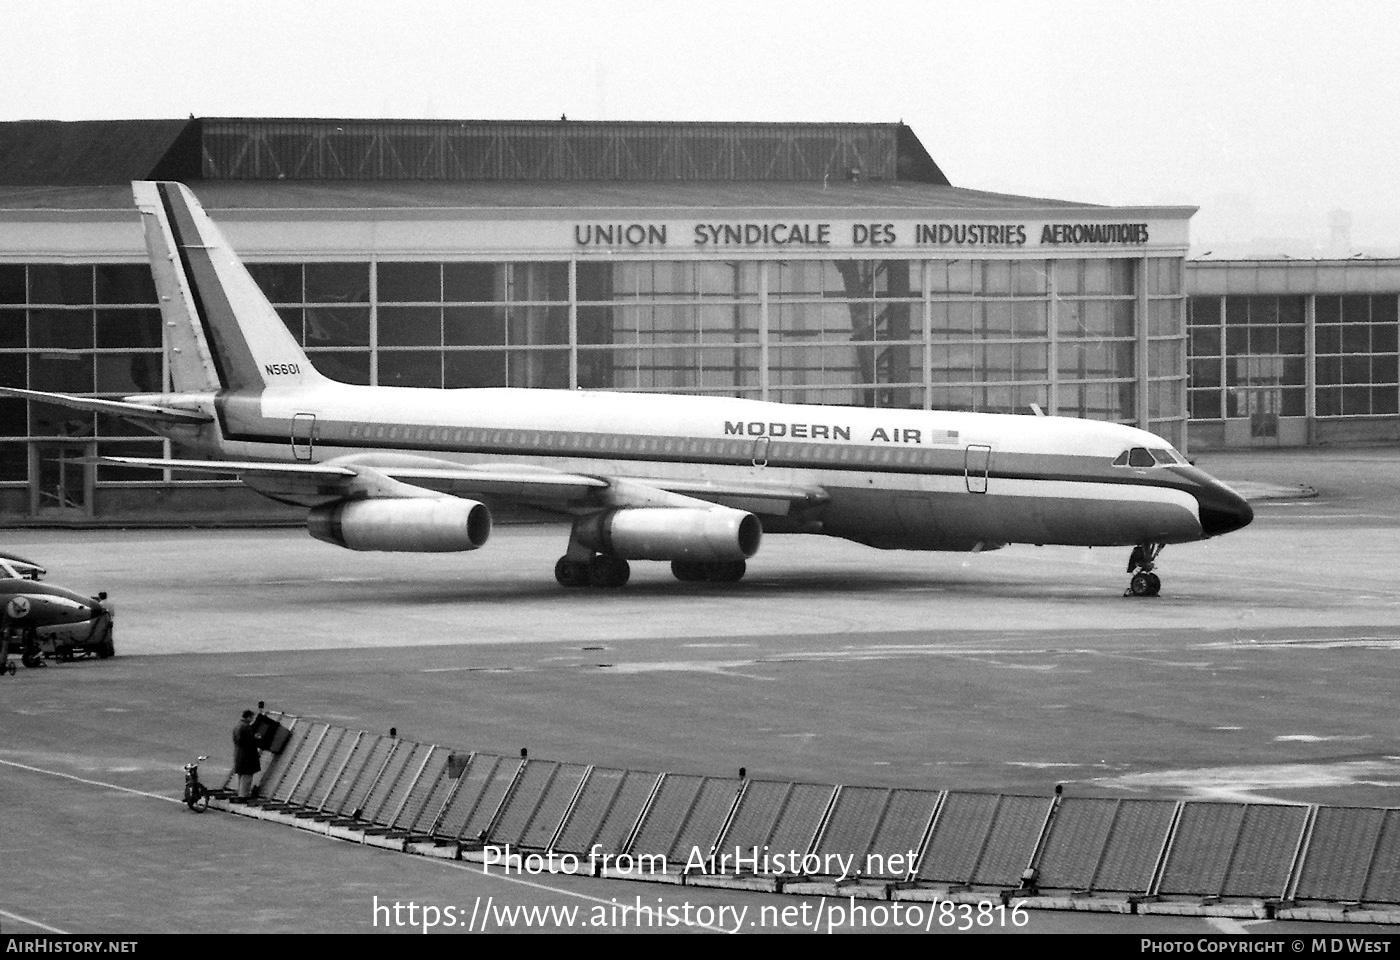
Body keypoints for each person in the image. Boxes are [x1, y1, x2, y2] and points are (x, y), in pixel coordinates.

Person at [232, 709, 261, 799]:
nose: (252, 719)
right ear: (248, 717)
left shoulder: (237, 726)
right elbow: (249, 741)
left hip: (239, 754)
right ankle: (243, 795)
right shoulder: (246, 727)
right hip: (247, 756)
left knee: (241, 776)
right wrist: (256, 738)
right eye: (251, 717)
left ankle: (240, 793)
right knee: (247, 776)